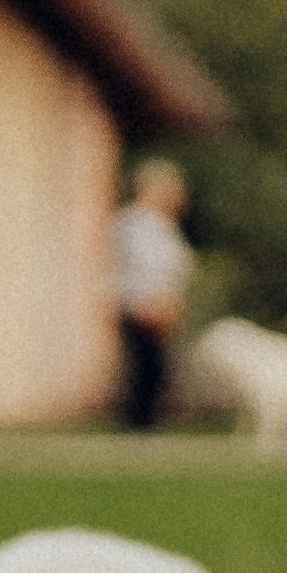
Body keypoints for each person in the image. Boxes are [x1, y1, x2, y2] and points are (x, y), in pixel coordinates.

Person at [106, 157, 190, 436]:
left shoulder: (164, 226)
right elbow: (143, 270)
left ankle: (147, 423)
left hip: (159, 305)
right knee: (144, 367)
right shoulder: (134, 225)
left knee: (156, 369)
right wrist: (152, 303)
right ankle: (138, 426)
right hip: (141, 305)